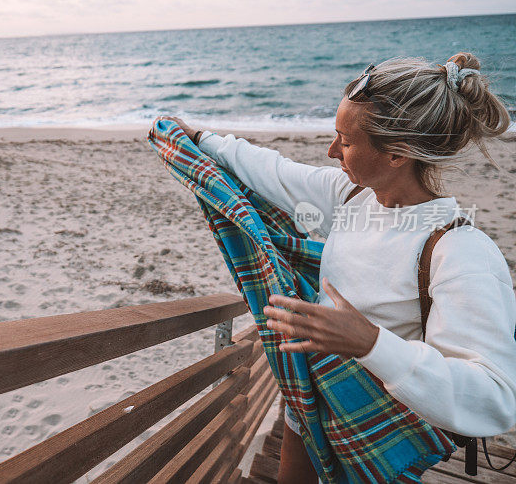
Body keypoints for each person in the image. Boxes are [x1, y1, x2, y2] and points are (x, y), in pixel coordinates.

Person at [159, 52, 516, 483]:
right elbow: (273, 170)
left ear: (397, 154)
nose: (332, 152)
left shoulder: (459, 251)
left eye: (345, 142)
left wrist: (369, 343)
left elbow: (494, 398)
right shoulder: (351, 198)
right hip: (309, 406)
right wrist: (198, 136)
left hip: (378, 435)